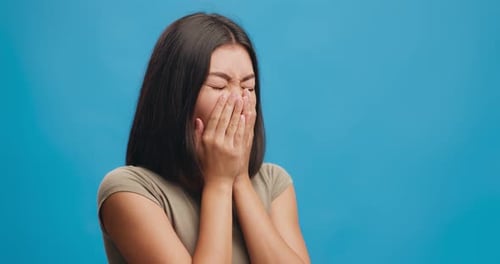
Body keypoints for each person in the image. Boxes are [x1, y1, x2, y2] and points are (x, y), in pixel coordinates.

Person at [97, 12, 310, 264]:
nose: (239, 100)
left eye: (249, 87)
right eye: (219, 86)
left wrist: (239, 180)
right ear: (177, 97)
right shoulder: (129, 190)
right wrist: (219, 183)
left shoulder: (274, 183)